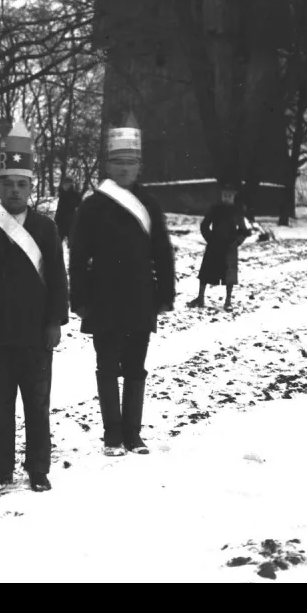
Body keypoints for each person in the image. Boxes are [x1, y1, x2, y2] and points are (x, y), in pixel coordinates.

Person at [0, 119, 68, 492]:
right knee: (0, 407)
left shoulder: (46, 229)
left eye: (21, 184)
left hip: (36, 333)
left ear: (31, 187)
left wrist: (55, 321)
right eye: (7, 184)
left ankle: (38, 469)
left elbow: (57, 278)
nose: (14, 191)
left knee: (37, 407)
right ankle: (1, 468)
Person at [68, 116, 175, 456]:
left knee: (135, 366)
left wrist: (165, 294)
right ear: (108, 165)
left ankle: (133, 433)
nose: (125, 168)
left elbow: (162, 251)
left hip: (140, 298)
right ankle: (112, 434)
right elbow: (78, 255)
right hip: (103, 299)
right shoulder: (92, 205)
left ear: (139, 166)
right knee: (107, 365)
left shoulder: (150, 205)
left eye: (130, 163)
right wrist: (79, 299)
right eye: (118, 162)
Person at [187, 184, 252, 312]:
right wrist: (210, 239)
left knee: (229, 275)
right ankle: (200, 298)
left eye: (230, 195)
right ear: (221, 196)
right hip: (214, 244)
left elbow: (243, 231)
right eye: (225, 195)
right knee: (206, 271)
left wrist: (236, 242)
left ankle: (228, 301)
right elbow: (204, 225)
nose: (227, 197)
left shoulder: (237, 211)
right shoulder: (215, 209)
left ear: (234, 197)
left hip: (230, 246)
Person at [54, 177, 82, 247]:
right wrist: (56, 218)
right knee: (57, 244)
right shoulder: (62, 194)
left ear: (71, 185)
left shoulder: (75, 194)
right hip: (61, 222)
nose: (65, 186)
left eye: (67, 184)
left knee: (73, 244)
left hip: (71, 222)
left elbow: (79, 206)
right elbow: (59, 208)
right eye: (64, 184)